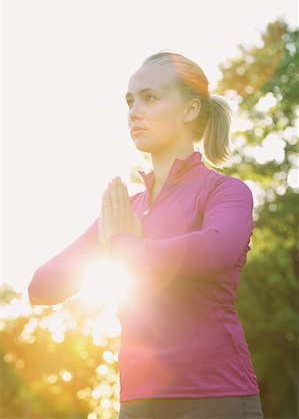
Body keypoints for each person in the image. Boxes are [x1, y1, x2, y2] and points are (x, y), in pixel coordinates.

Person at [28, 51, 264, 419]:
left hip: (217, 398)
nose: (134, 111)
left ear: (190, 110)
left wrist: (123, 245)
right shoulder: (125, 210)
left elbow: (214, 249)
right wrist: (118, 245)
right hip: (137, 403)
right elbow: (41, 287)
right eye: (129, 101)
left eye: (150, 98)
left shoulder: (225, 192)